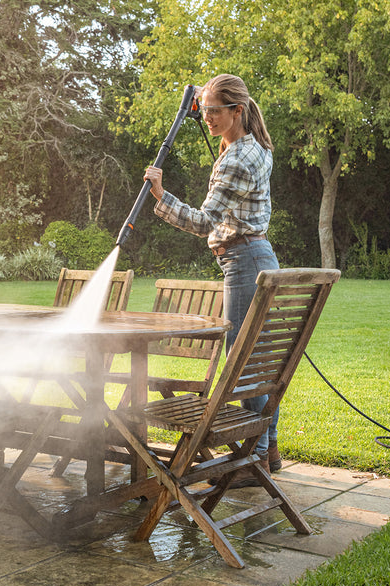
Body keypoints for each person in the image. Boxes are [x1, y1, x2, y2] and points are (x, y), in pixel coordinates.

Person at [143, 74, 281, 487]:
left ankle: (253, 458)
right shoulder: (252, 147)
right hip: (254, 256)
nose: (207, 120)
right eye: (203, 113)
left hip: (244, 260)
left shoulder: (238, 158)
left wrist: (160, 196)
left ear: (237, 110)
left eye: (214, 112)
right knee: (255, 359)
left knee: (242, 361)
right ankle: (266, 449)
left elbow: (205, 222)